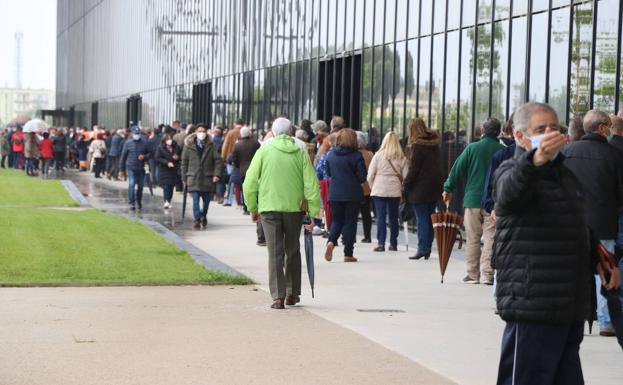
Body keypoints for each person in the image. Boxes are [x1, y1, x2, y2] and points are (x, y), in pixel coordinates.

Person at [492, 102, 619, 385]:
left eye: (555, 128)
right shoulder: (512, 170)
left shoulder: (566, 175)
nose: (550, 134)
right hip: (532, 306)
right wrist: (533, 161)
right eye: (541, 129)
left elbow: (574, 227)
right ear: (519, 136)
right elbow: (509, 194)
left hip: (567, 308)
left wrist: (600, 259)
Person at [243, 117, 320, 309]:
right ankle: (292, 292)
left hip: (269, 207)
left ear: (273, 132)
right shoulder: (300, 152)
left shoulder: (264, 151)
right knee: (292, 250)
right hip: (294, 208)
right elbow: (311, 183)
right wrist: (312, 211)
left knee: (274, 252)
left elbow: (249, 182)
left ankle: (278, 296)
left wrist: (252, 207)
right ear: (291, 132)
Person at [562, 109, 623, 337]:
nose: (610, 129)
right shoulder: (614, 155)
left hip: (572, 223)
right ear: (601, 128)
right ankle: (606, 322)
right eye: (608, 125)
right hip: (604, 222)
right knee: (605, 272)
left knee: (572, 269)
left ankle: (568, 315)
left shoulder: (567, 152)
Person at [443, 118, 504, 284]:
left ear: (482, 131)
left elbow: (457, 169)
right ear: (498, 132)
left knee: (473, 238)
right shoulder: (502, 150)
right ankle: (487, 274)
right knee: (491, 238)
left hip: (473, 200)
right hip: (493, 202)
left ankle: (472, 274)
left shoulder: (472, 148)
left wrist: (448, 187)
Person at [324, 128, 367, 263]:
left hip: (335, 193)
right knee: (350, 222)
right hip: (352, 194)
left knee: (337, 221)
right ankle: (348, 253)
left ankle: (331, 241)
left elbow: (328, 173)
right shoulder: (356, 156)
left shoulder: (331, 155)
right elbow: (362, 177)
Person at [403, 118, 443, 260]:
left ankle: (422, 248)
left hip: (420, 188)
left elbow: (414, 170)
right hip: (434, 187)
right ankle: (427, 248)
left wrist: (405, 184)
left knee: (421, 219)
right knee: (430, 217)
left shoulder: (417, 147)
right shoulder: (434, 145)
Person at [367, 131, 408, 252]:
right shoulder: (402, 158)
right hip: (394, 190)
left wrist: (372, 187)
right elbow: (406, 177)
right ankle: (393, 243)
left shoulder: (378, 156)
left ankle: (381, 243)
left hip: (379, 189)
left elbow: (370, 175)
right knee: (393, 217)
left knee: (380, 217)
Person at [181, 124, 223, 230]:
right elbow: (184, 162)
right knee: (195, 200)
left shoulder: (211, 145)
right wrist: (184, 177)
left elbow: (218, 161)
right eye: (199, 131)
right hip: (193, 177)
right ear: (196, 132)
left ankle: (203, 215)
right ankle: (197, 219)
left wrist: (216, 174)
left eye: (203, 131)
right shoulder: (189, 145)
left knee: (207, 201)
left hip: (207, 178)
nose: (201, 133)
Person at [231, 126, 261, 215]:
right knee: (256, 188)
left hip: (243, 170)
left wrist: (238, 166)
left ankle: (246, 207)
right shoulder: (256, 143)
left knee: (246, 189)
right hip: (255, 169)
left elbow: (234, 159)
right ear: (250, 133)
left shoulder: (237, 145)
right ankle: (256, 205)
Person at [120, 126, 150, 210]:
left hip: (141, 168)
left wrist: (144, 156)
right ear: (132, 134)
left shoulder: (144, 143)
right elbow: (123, 156)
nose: (137, 135)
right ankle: (131, 202)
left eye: (138, 133)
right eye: (135, 133)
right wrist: (121, 169)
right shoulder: (128, 143)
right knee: (132, 184)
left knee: (140, 186)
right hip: (131, 167)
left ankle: (138, 200)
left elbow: (150, 154)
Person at [155, 133, 181, 209]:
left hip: (173, 169)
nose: (169, 141)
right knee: (166, 186)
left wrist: (177, 157)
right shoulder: (160, 147)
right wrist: (167, 162)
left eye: (170, 139)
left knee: (171, 186)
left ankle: (169, 200)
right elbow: (157, 158)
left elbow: (180, 155)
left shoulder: (176, 146)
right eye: (167, 139)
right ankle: (166, 201)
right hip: (164, 169)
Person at [357, 131, 374, 243]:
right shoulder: (370, 154)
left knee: (352, 213)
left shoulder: (353, 154)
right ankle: (367, 236)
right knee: (366, 213)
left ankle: (351, 236)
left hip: (355, 187)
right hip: (367, 188)